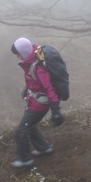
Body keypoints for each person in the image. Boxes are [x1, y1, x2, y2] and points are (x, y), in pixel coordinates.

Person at [9, 37, 63, 168]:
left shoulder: (38, 67)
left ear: (24, 52)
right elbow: (34, 81)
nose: (18, 57)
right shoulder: (32, 62)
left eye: (18, 54)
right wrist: (26, 89)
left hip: (39, 105)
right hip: (34, 101)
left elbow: (48, 87)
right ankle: (44, 148)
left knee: (21, 131)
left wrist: (56, 111)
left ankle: (25, 159)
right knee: (30, 126)